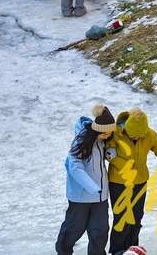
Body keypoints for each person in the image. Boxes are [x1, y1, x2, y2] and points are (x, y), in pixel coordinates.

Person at [108, 108, 157, 254]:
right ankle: (117, 251)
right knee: (122, 217)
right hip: (118, 181)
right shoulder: (116, 133)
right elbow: (109, 153)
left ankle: (132, 249)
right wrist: (124, 165)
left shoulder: (149, 134)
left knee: (136, 217)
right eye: (133, 136)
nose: (136, 139)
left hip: (140, 181)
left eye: (139, 136)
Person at [56, 105, 117, 255]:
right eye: (105, 134)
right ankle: (63, 252)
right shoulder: (81, 141)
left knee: (100, 231)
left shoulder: (101, 141)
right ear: (97, 129)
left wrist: (110, 153)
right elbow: (74, 167)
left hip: (100, 197)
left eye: (110, 133)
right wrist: (93, 187)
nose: (108, 136)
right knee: (74, 228)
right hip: (81, 197)